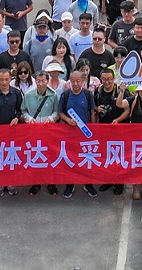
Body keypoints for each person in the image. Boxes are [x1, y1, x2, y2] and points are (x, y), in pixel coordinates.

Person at [57, 70, 100, 198]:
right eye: (73, 81)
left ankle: (88, 184)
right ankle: (70, 185)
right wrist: (68, 120)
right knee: (70, 159)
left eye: (78, 81)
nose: (75, 84)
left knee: (87, 159)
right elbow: (60, 112)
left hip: (85, 134)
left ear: (82, 81)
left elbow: (93, 110)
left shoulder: (87, 94)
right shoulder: (65, 95)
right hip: (69, 133)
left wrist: (92, 129)